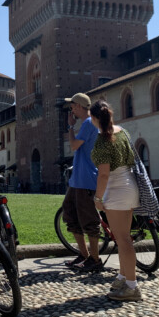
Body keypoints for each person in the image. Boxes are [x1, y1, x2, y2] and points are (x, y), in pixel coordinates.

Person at [89, 99, 142, 302]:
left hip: (116, 190)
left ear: (94, 118)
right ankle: (122, 277)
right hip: (130, 186)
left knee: (123, 240)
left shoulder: (103, 140)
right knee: (124, 238)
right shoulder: (123, 132)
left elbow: (103, 175)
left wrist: (98, 197)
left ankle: (132, 286)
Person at [61, 92, 101, 272]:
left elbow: (74, 145)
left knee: (89, 220)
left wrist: (70, 127)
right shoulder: (88, 123)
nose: (71, 109)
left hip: (86, 178)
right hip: (78, 179)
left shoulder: (87, 122)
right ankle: (84, 255)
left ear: (78, 106)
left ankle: (94, 259)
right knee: (69, 213)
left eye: (72, 106)